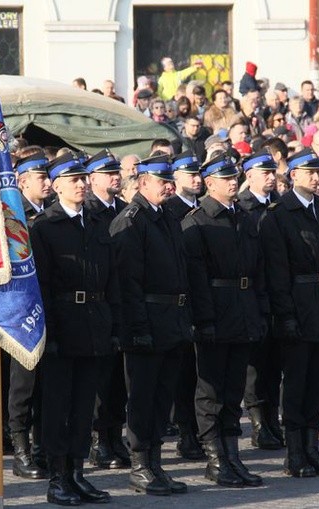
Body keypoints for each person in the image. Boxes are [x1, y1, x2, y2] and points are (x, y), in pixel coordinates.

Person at [31, 152, 119, 505]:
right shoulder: (45, 227)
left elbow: (111, 277)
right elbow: (44, 286)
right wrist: (48, 333)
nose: (82, 185)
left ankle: (77, 473)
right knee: (57, 407)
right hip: (63, 326)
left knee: (85, 406)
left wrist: (113, 326)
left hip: (94, 323)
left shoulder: (97, 221)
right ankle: (57, 477)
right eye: (74, 180)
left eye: (84, 179)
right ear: (56, 186)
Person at [259, 148, 319, 478]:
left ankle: (313, 448)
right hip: (298, 305)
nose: (317, 175)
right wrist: (286, 314)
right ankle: (295, 453)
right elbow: (277, 271)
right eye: (309, 171)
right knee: (296, 383)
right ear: (292, 175)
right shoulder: (279, 214)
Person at [182, 152, 266, 489]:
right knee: (211, 391)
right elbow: (196, 278)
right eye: (226, 178)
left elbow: (256, 271)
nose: (234, 182)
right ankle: (215, 458)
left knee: (234, 390)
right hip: (215, 312)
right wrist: (205, 320)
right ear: (210, 183)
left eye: (235, 177)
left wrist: (258, 312)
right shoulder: (197, 221)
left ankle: (232, 454)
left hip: (242, 311)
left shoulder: (243, 218)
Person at [110, 154, 192, 496]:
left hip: (171, 321)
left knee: (162, 397)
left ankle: (156, 463)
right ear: (143, 183)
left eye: (170, 180)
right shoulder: (131, 221)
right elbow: (128, 283)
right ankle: (140, 465)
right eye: (162, 181)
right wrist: (137, 328)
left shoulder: (168, 217)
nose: (169, 186)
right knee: (142, 398)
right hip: (146, 323)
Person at [82, 150, 131, 471]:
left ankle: (115, 435)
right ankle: (100, 440)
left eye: (116, 171)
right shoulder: (87, 213)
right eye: (107, 172)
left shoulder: (126, 211)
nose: (115, 176)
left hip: (123, 300)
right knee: (100, 379)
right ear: (92, 179)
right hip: (98, 304)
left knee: (119, 380)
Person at [7, 150, 52, 480]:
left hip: (49, 309)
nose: (48, 183)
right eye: (41, 177)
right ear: (21, 182)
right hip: (21, 314)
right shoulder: (12, 215)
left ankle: (40, 448)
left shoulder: (50, 215)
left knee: (46, 388)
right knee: (22, 387)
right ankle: (20, 450)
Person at [159, 151, 205, 461]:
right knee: (184, 376)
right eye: (191, 175)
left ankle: (197, 432)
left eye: (199, 174)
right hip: (178, 304)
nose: (197, 179)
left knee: (200, 375)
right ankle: (187, 433)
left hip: (198, 302)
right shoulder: (171, 211)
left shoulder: (200, 210)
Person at [237, 152, 284, 451]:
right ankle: (257, 422)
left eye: (272, 172)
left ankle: (271, 418)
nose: (270, 176)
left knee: (274, 365)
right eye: (263, 172)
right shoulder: (244, 208)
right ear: (249, 176)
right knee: (254, 366)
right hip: (254, 293)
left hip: (278, 293)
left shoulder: (279, 206)